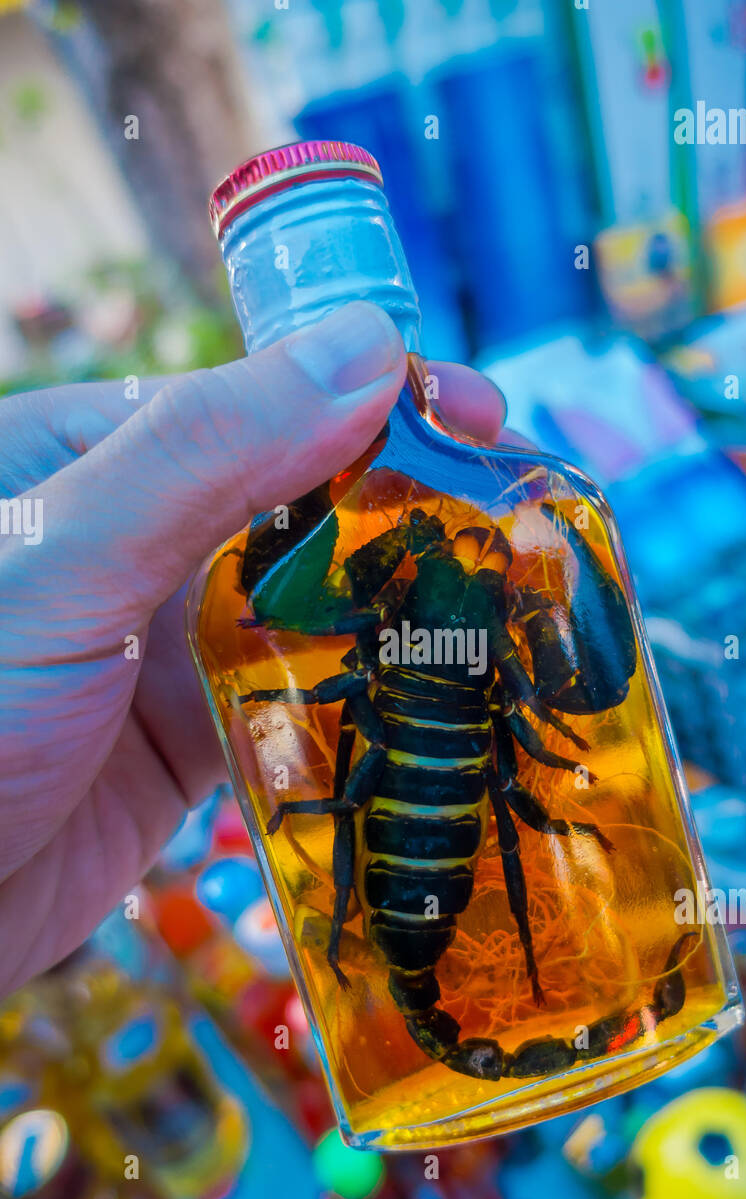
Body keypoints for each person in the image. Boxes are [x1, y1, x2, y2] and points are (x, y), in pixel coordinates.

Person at [0, 301, 510, 998]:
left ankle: (352, 946)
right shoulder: (477, 560)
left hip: (420, 777)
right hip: (427, 782)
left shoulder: (386, 614)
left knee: (350, 800)